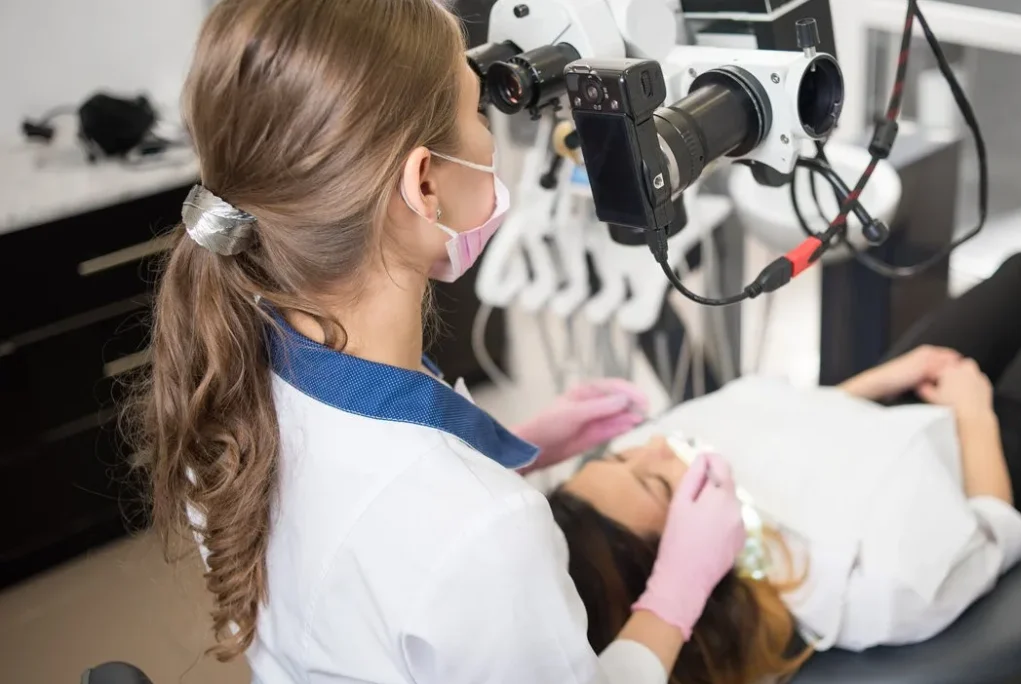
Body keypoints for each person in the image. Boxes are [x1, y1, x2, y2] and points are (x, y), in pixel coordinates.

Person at [128, 1, 748, 682]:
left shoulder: (226, 378)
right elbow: (427, 534)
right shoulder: (486, 536)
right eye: (478, 110)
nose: (489, 139)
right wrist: (673, 600)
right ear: (424, 183)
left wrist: (503, 445)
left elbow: (366, 539)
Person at [548, 171, 1021, 684]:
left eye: (618, 457)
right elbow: (993, 533)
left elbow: (778, 423)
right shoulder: (863, 590)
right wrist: (974, 410)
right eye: (655, 482)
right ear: (684, 568)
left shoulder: (669, 458)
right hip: (1001, 461)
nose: (656, 447)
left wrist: (884, 379)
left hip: (887, 408)